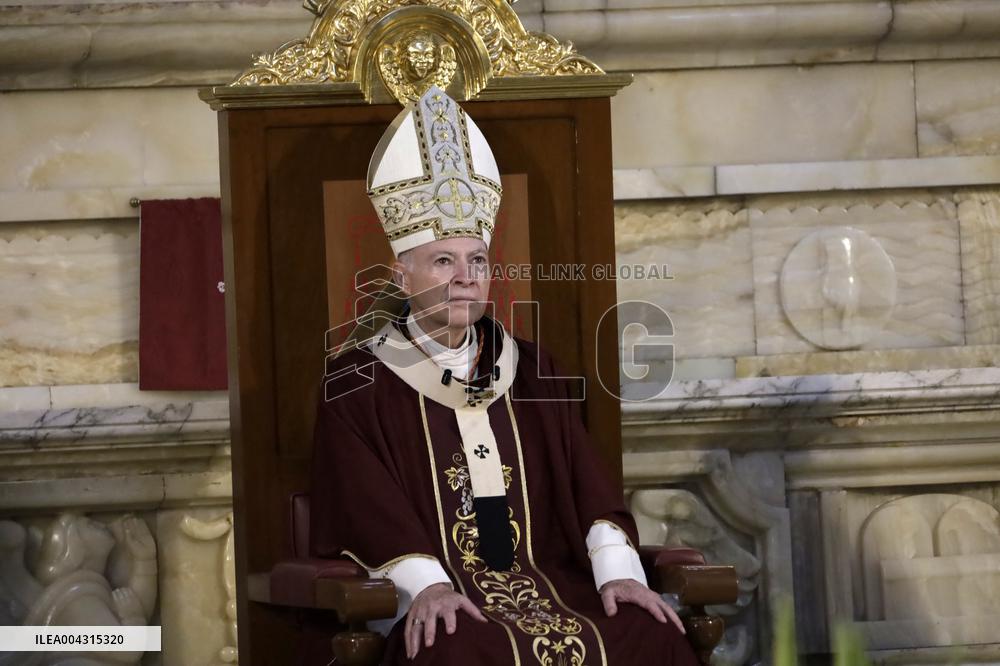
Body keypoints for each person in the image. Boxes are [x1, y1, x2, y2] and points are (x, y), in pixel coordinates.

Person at [312, 86, 698, 665]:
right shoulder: (354, 385)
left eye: (478, 261)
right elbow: (366, 510)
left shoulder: (536, 371)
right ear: (402, 274)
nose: (465, 277)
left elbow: (586, 489)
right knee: (455, 649)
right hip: (446, 599)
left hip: (555, 586)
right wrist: (430, 588)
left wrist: (620, 575)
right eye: (444, 260)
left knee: (652, 633)